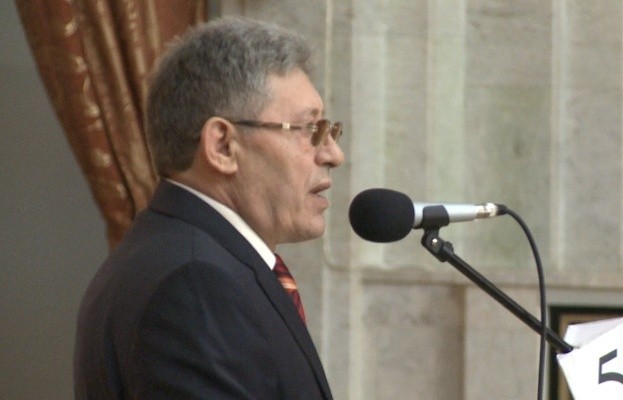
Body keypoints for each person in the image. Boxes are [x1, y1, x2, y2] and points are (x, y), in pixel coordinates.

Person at [73, 16, 344, 399]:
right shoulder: (195, 285)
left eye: (330, 130)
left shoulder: (182, 257)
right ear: (222, 146)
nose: (333, 154)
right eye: (309, 130)